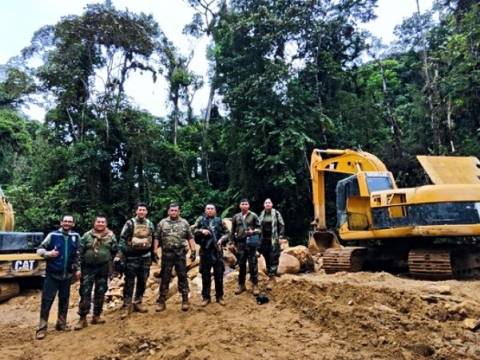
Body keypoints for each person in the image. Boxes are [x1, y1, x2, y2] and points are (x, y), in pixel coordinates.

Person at [35, 215, 81, 340]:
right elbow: (39, 249)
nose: (67, 223)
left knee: (64, 300)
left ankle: (61, 324)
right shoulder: (53, 235)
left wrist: (78, 269)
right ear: (61, 223)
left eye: (69, 222)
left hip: (67, 276)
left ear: (73, 224)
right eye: (65, 221)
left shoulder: (75, 237)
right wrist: (48, 253)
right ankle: (42, 328)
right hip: (52, 274)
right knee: (47, 301)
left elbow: (78, 255)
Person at [75, 215, 117, 330]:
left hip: (103, 268)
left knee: (100, 291)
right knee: (85, 292)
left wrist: (112, 267)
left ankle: (96, 316)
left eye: (103, 222)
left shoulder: (111, 236)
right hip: (88, 268)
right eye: (98, 222)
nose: (100, 224)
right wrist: (78, 268)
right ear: (94, 223)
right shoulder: (87, 236)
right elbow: (79, 252)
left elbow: (115, 251)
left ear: (106, 224)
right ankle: (82, 318)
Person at [154, 203, 196, 312]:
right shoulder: (162, 223)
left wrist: (193, 250)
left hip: (180, 253)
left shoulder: (184, 223)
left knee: (182, 276)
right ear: (168, 211)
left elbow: (190, 237)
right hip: (167, 254)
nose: (173, 212)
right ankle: (161, 301)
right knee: (165, 277)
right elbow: (157, 237)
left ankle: (185, 300)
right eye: (171, 210)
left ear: (179, 212)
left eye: (175, 210)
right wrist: (154, 251)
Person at [118, 203, 155, 319]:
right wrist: (124, 253)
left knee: (142, 281)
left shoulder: (150, 224)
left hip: (146, 257)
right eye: (140, 210)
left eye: (144, 210)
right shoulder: (130, 223)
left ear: (146, 212)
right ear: (136, 211)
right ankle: (126, 305)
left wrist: (153, 253)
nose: (142, 212)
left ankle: (138, 302)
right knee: (129, 282)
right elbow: (122, 239)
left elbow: (153, 238)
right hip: (131, 257)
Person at [193, 204, 229, 306]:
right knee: (205, 276)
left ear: (215, 210)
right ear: (205, 210)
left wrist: (222, 239)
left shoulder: (220, 221)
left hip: (217, 251)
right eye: (208, 209)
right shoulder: (200, 220)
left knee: (219, 275)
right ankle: (206, 297)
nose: (210, 210)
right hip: (205, 251)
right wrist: (201, 231)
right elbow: (191, 230)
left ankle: (219, 296)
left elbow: (227, 233)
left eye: (212, 209)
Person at [230, 199, 261, 296]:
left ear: (249, 205)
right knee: (241, 265)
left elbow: (260, 229)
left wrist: (254, 232)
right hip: (240, 244)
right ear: (240, 206)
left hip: (251, 243)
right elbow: (233, 230)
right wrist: (232, 242)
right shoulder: (236, 217)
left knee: (253, 264)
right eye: (242, 204)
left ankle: (255, 285)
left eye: (246, 204)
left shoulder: (253, 215)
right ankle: (241, 285)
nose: (244, 205)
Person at [259, 198, 285, 286]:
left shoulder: (276, 213)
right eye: (266, 203)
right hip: (264, 239)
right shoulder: (262, 215)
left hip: (274, 238)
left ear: (272, 204)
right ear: (264, 205)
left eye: (269, 202)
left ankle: (272, 275)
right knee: (266, 255)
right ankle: (270, 271)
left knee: (273, 256)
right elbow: (258, 226)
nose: (267, 204)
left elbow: (281, 224)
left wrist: (281, 236)